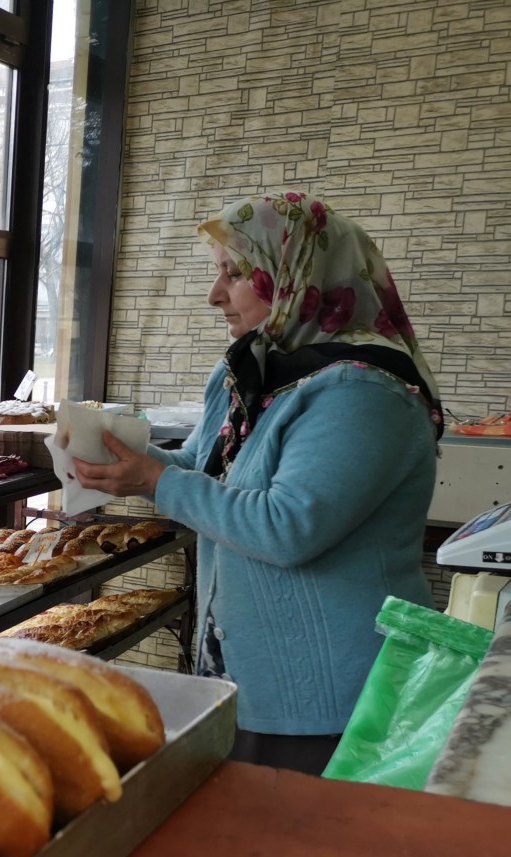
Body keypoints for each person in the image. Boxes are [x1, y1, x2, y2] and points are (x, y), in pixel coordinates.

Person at [74, 192, 442, 775]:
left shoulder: (365, 392)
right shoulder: (253, 369)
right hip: (245, 676)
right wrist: (117, 456)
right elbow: (203, 467)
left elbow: (288, 528)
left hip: (334, 696)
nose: (215, 294)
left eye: (236, 274)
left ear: (299, 275)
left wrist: (156, 481)